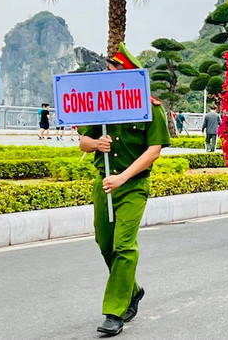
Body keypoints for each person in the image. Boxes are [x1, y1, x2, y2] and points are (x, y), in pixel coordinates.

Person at [78, 43, 170, 337]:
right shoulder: (100, 104)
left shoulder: (150, 108)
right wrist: (96, 144)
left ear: (131, 75)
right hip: (103, 184)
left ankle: (114, 312)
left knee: (123, 245)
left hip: (133, 185)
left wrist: (123, 177)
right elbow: (83, 141)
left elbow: (153, 150)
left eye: (114, 71)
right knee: (104, 243)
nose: (108, 75)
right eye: (107, 71)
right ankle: (133, 289)